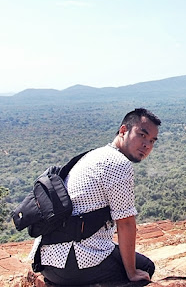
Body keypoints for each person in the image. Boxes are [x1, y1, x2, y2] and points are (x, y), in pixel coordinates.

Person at [29, 108, 161, 285]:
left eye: (152, 141)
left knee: (132, 260)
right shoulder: (119, 163)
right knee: (144, 268)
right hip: (73, 263)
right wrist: (131, 273)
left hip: (46, 261)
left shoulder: (94, 154)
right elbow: (126, 223)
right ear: (123, 131)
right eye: (142, 135)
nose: (147, 145)